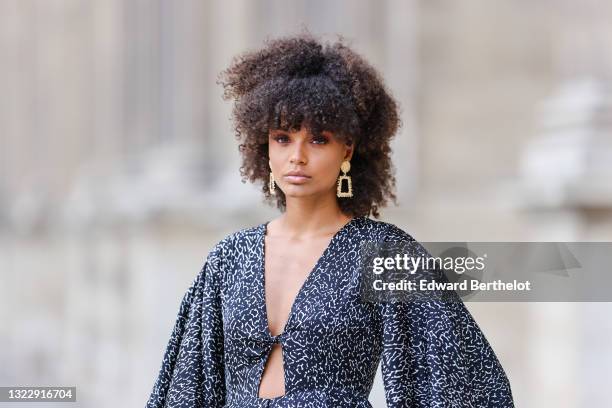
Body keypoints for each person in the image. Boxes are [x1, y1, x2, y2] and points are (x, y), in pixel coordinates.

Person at [145, 32, 515, 408]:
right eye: (283, 138)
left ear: (347, 150)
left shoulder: (383, 254)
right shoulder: (230, 257)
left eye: (319, 139)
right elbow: (184, 386)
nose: (298, 156)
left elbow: (466, 379)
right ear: (265, 147)